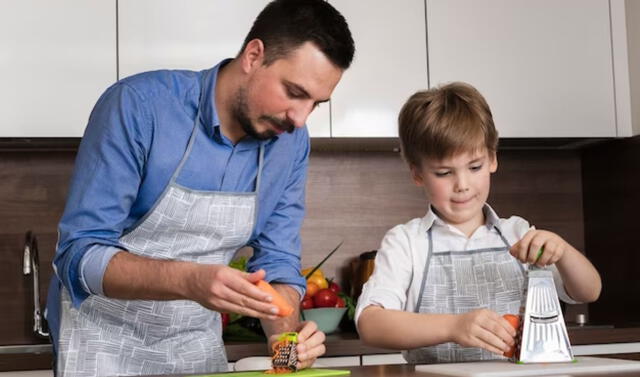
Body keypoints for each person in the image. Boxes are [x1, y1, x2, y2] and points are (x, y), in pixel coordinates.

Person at [45, 1, 354, 376]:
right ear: (254, 56)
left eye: (316, 104)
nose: (300, 118)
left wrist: (286, 343)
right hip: (103, 346)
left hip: (194, 348)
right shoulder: (139, 107)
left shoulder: (290, 143)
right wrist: (190, 280)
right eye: (293, 92)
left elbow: (277, 262)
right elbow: (79, 255)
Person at [355, 82, 601, 363]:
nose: (462, 185)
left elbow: (588, 291)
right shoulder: (407, 242)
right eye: (444, 172)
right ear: (418, 174)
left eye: (475, 167)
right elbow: (370, 324)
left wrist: (563, 250)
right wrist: (453, 327)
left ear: (493, 159)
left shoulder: (518, 233)